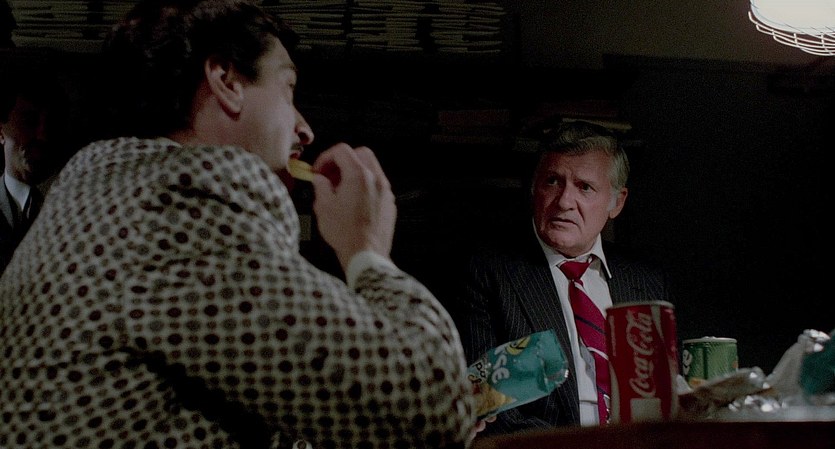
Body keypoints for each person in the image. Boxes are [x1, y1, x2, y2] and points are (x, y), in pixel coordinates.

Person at [0, 1, 476, 448]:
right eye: (288, 89)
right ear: (226, 80)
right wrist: (365, 248)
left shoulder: (101, 188)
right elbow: (431, 410)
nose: (305, 129)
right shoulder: (184, 201)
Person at [453, 120, 674, 437]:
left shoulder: (646, 280)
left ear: (617, 202)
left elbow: (665, 399)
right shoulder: (488, 271)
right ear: (534, 188)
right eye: (553, 181)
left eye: (585, 187)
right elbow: (486, 405)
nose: (564, 201)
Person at [0, 62, 71, 273]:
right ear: (1, 132)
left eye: (52, 123)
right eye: (29, 120)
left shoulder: (76, 204)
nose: (43, 135)